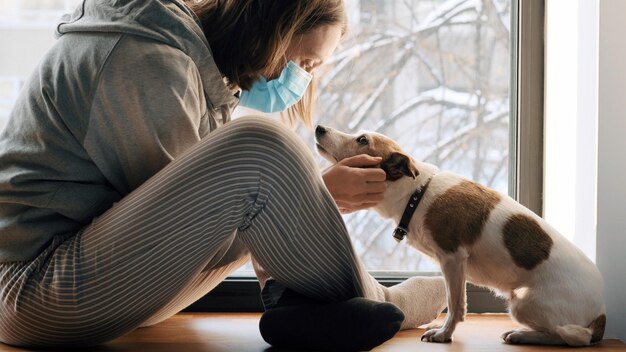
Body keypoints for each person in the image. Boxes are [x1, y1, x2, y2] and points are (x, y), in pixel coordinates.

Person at [0, 0, 446, 350]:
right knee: (261, 144)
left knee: (261, 154)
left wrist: (299, 200)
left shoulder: (186, 67)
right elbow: (193, 234)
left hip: (74, 282)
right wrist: (317, 195)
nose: (304, 81)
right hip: (34, 289)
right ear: (273, 33)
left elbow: (195, 224)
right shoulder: (145, 61)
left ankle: (296, 307)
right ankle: (387, 305)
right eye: (306, 64)